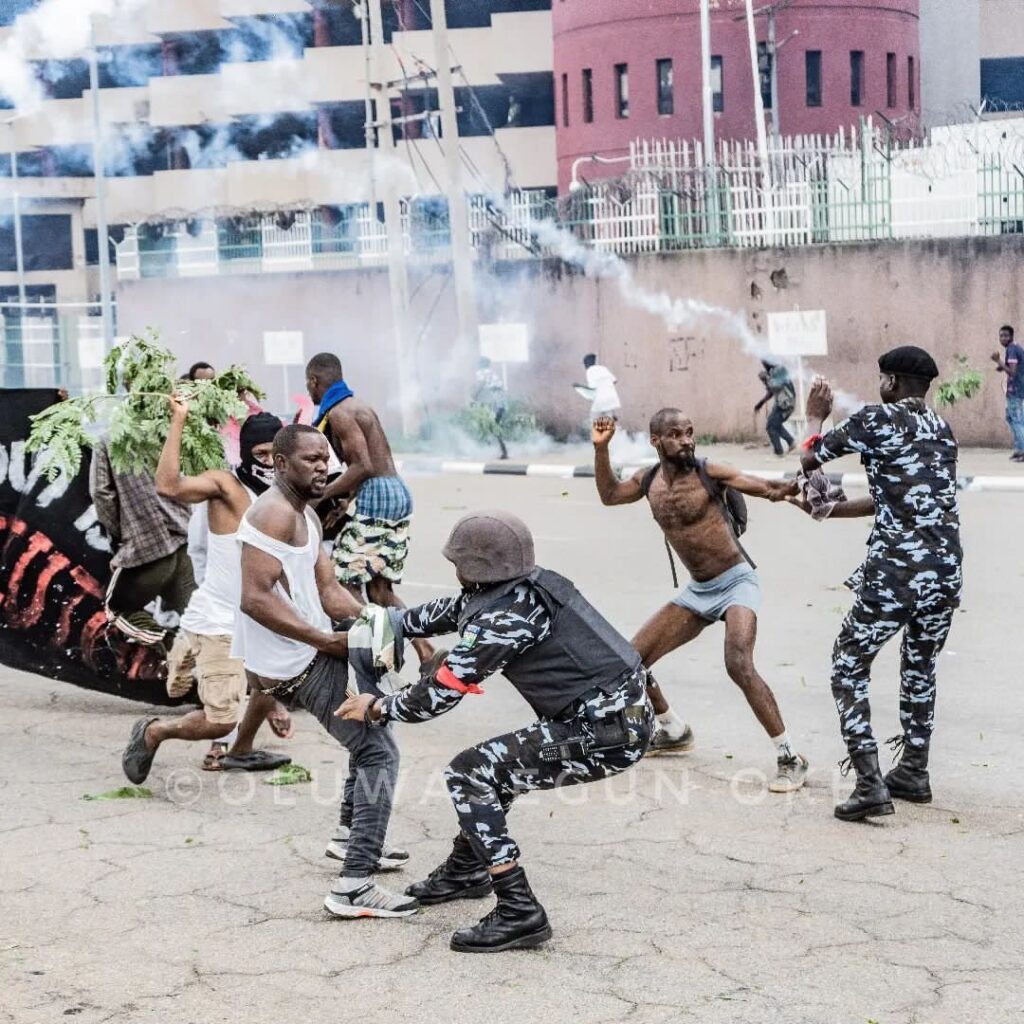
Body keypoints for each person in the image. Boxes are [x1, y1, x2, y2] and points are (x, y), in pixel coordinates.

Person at [338, 511, 654, 953]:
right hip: (613, 718)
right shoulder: (526, 586)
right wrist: (395, 622)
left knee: (471, 773)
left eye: (457, 562)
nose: (454, 570)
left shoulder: (506, 621)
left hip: (605, 732)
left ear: (474, 566)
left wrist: (377, 706)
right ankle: (466, 870)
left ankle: (519, 909)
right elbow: (457, 610)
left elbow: (438, 696)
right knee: (498, 772)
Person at [233, 423, 415, 918]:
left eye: (326, 458)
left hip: (306, 651)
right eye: (312, 459)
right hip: (293, 661)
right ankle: (355, 885)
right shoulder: (272, 513)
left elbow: (329, 590)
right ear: (279, 463)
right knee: (379, 752)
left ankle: (346, 836)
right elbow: (255, 598)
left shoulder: (303, 514)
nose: (324, 466)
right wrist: (326, 641)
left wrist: (378, 619)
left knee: (370, 729)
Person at [592, 410, 809, 793]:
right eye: (675, 434)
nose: (687, 440)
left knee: (738, 662)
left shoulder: (711, 472)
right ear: (656, 441)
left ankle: (790, 756)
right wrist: (601, 450)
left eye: (690, 432)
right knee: (629, 662)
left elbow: (762, 486)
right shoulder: (649, 480)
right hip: (699, 590)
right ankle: (673, 728)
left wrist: (785, 488)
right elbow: (610, 495)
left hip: (737, 582)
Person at [798, 346, 962, 822]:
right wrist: (834, 508)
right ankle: (913, 770)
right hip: (946, 569)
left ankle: (870, 783)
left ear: (891, 382)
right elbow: (901, 497)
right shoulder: (942, 429)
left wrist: (814, 417)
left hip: (897, 574)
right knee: (920, 668)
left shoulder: (876, 420)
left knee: (847, 664)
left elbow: (809, 460)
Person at [121, 400, 292, 783]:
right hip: (220, 622)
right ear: (246, 453)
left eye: (274, 454)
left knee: (276, 673)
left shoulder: (285, 497)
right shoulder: (227, 486)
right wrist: (178, 421)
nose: (266, 462)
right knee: (219, 721)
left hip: (253, 617)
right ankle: (154, 732)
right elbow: (168, 485)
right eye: (259, 454)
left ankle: (241, 747)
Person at [305, 352, 433, 664]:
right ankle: (425, 650)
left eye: (309, 386)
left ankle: (382, 651)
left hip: (378, 493)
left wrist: (322, 496)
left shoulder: (338, 413)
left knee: (343, 580)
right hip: (393, 491)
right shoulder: (357, 405)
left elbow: (362, 466)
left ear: (313, 382)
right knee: (379, 589)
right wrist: (347, 501)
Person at [90, 438, 194, 648]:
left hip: (145, 550)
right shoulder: (172, 429)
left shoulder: (108, 440)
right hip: (184, 541)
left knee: (116, 610)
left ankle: (171, 644)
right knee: (200, 619)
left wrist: (124, 538)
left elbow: (101, 493)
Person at [990, 324, 1024, 461]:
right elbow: (1011, 367)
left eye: (1005, 336)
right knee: (1011, 418)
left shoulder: (1012, 349)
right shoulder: (1013, 348)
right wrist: (1001, 366)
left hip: (1016, 390)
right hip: (1015, 389)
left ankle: (1022, 450)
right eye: (1001, 336)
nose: (1002, 338)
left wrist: (998, 360)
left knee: (1016, 420)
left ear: (1011, 336)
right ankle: (1018, 449)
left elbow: (1013, 372)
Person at [754, 360, 797, 456]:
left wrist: (766, 379)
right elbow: (771, 392)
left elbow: (776, 386)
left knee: (771, 426)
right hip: (782, 403)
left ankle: (779, 451)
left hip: (785, 404)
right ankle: (791, 442)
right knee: (775, 424)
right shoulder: (774, 371)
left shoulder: (778, 370)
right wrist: (760, 404)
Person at [473, 356, 509, 460]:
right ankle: (500, 449)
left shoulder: (481, 372)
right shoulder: (492, 373)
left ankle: (501, 450)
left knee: (491, 425)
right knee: (493, 425)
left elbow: (481, 384)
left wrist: (474, 396)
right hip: (501, 400)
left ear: (481, 365)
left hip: (495, 400)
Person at [582, 353, 621, 421]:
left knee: (594, 420)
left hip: (600, 400)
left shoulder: (589, 371)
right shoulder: (603, 368)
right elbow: (615, 381)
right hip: (611, 398)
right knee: (609, 419)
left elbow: (592, 388)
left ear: (587, 363)